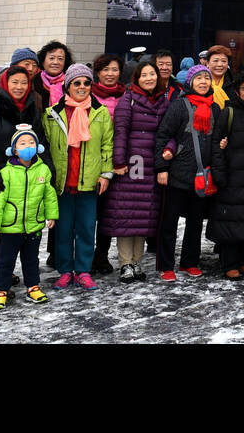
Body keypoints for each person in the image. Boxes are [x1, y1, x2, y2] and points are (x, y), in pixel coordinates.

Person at [0, 65, 52, 305]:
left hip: (22, 188)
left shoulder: (31, 110)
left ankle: (2, 285)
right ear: (5, 83)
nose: (19, 87)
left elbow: (41, 143)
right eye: (15, 82)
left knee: (10, 241)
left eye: (24, 83)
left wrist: (49, 171)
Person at [41, 64, 113, 290]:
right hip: (63, 183)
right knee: (62, 230)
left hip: (89, 183)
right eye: (77, 83)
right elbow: (47, 146)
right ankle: (65, 270)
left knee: (85, 228)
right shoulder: (52, 114)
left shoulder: (100, 112)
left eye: (86, 83)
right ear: (67, 86)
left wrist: (105, 174)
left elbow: (107, 146)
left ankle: (83, 270)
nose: (82, 87)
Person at [105, 60, 171, 283]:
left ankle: (137, 261)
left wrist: (169, 152)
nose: (149, 78)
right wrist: (119, 161)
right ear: (137, 79)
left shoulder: (163, 101)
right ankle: (125, 263)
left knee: (143, 216)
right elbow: (121, 131)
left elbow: (170, 131)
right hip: (133, 162)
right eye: (144, 75)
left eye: (152, 74)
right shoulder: (128, 100)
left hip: (152, 163)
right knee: (128, 214)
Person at [154, 64, 219, 280]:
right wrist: (161, 167)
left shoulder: (215, 108)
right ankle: (166, 265)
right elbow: (163, 134)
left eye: (206, 78)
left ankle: (189, 262)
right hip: (177, 173)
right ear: (190, 82)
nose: (203, 82)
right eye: (198, 78)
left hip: (202, 177)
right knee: (169, 222)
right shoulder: (179, 106)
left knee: (195, 222)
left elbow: (217, 138)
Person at [0, 125, 59, 310]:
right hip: (10, 227)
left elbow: (49, 195)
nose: (28, 146)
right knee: (6, 260)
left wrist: (51, 215)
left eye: (31, 142)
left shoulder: (43, 170)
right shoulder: (7, 172)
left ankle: (33, 287)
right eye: (23, 143)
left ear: (37, 146)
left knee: (31, 260)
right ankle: (1, 290)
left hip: (33, 226)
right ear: (14, 149)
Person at [210, 68, 244, 279]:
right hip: (231, 176)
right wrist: (219, 173)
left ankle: (241, 260)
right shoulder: (228, 112)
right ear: (238, 91)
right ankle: (228, 263)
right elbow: (217, 144)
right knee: (229, 220)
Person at [90, 53, 126, 275]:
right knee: (87, 213)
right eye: (105, 70)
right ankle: (81, 255)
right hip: (92, 161)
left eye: (114, 69)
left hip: (116, 162)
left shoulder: (126, 95)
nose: (110, 74)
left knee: (108, 212)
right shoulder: (88, 93)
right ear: (98, 73)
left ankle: (101, 255)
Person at [36, 41, 73, 108]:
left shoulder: (71, 82)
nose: (56, 62)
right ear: (43, 61)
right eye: (51, 58)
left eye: (60, 59)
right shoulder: (34, 82)